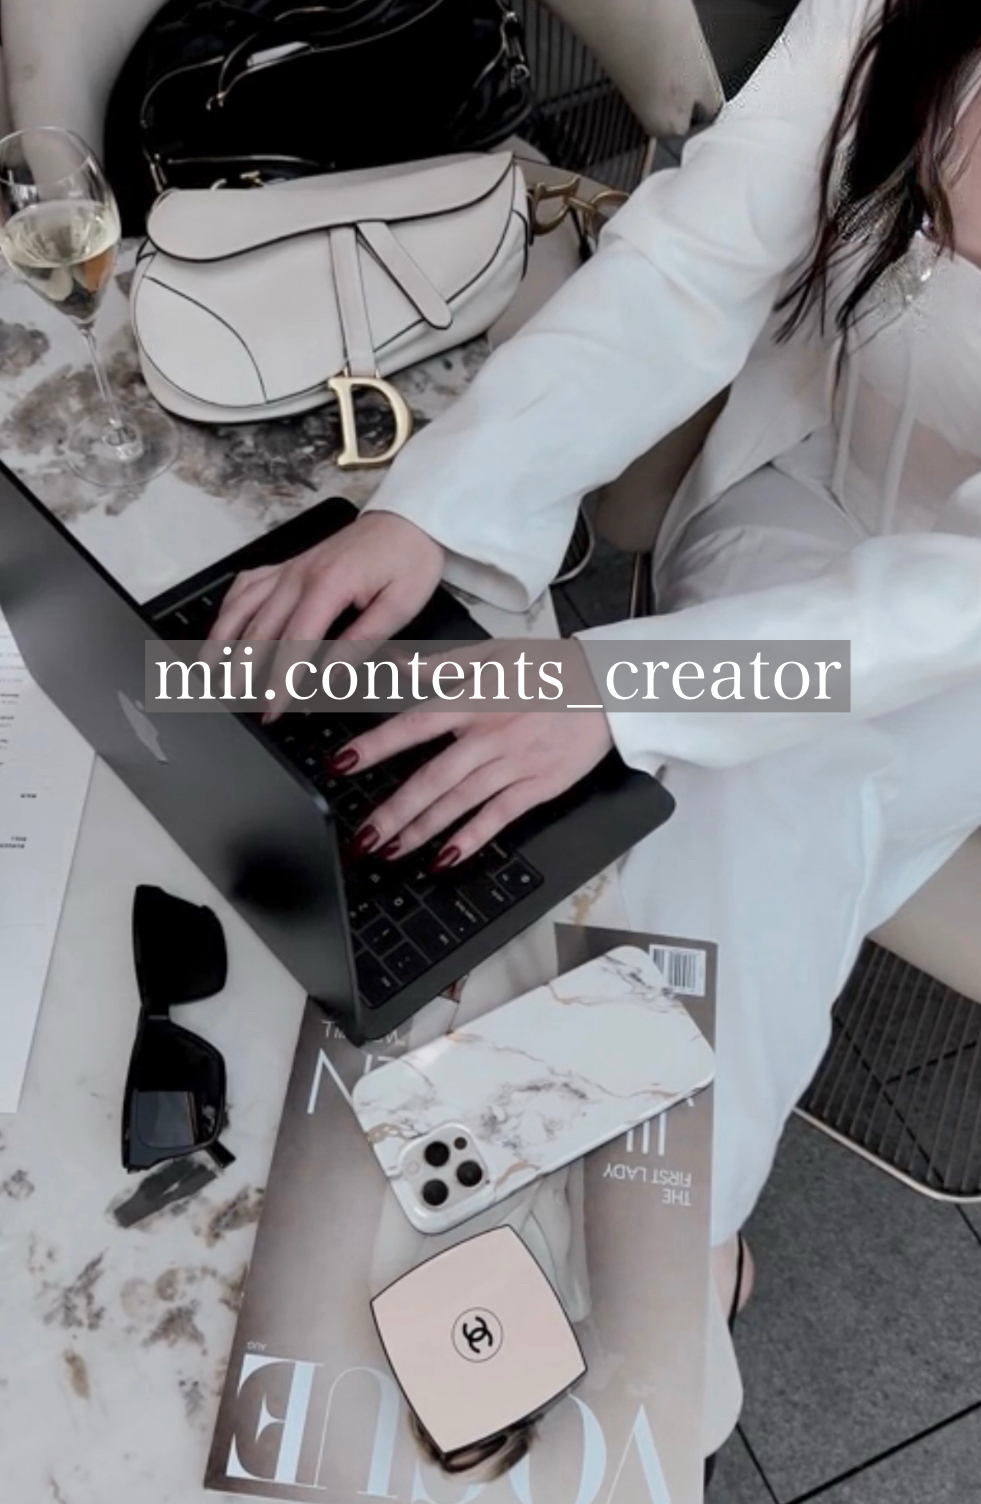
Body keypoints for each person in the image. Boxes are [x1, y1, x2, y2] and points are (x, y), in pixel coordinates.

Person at [210, 0, 981, 1452]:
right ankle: (622, 1234)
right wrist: (433, 512)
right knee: (687, 787)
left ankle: (646, 1255)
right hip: (805, 492)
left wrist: (622, 688)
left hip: (967, 638)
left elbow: (957, 602)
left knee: (771, 797)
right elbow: (697, 258)